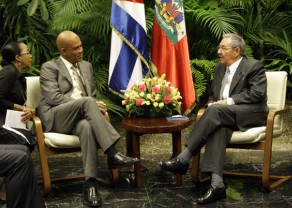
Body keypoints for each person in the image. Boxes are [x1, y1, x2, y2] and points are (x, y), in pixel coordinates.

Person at [159, 33, 268, 205]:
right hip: (223, 116)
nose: (219, 51)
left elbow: (257, 93)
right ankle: (217, 185)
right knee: (218, 127)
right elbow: (212, 96)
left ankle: (184, 158)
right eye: (219, 47)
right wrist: (213, 103)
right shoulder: (219, 69)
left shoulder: (253, 66)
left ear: (236, 51)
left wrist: (227, 102)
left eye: (223, 48)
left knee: (216, 109)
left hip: (251, 113)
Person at [37, 30, 139, 207]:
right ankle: (112, 153)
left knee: (86, 126)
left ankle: (90, 185)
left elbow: (91, 95)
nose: (80, 51)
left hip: (81, 117)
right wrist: (87, 103)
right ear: (63, 51)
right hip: (57, 117)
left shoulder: (86, 66)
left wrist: (95, 104)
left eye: (81, 46)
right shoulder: (49, 67)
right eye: (75, 48)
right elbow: (53, 98)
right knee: (88, 102)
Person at [0, 42, 36, 151]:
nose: (31, 56)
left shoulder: (19, 78)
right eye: (28, 53)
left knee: (27, 141)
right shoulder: (8, 72)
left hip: (12, 121)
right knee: (25, 141)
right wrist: (22, 108)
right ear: (18, 58)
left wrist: (29, 111)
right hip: (2, 123)